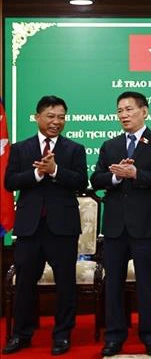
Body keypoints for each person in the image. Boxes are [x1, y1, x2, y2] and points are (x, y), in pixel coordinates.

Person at [91, 91, 151, 357]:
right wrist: (115, 178)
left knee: (147, 284)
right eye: (120, 111)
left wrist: (136, 173)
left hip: (146, 226)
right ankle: (114, 337)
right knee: (113, 284)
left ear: (144, 111)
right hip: (115, 227)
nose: (124, 115)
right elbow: (96, 179)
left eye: (129, 109)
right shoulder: (110, 146)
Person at [2, 96, 87, 356]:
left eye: (61, 116)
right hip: (30, 228)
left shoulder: (74, 149)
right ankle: (22, 334)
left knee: (65, 285)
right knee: (25, 283)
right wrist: (38, 173)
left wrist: (56, 170)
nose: (56, 121)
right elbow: (10, 182)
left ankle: (62, 335)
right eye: (51, 116)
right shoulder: (20, 149)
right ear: (37, 117)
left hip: (62, 228)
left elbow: (81, 182)